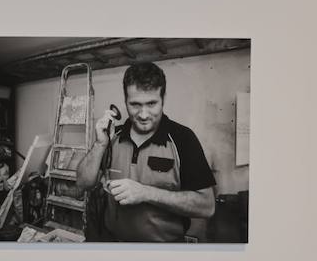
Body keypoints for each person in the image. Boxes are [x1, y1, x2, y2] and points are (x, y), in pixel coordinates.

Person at [74, 61, 217, 242]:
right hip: (114, 245)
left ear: (163, 99)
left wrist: (146, 193)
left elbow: (207, 206)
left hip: (164, 252)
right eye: (135, 105)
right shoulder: (113, 136)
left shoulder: (183, 138)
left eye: (151, 104)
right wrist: (100, 144)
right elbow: (82, 183)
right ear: (125, 101)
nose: (143, 115)